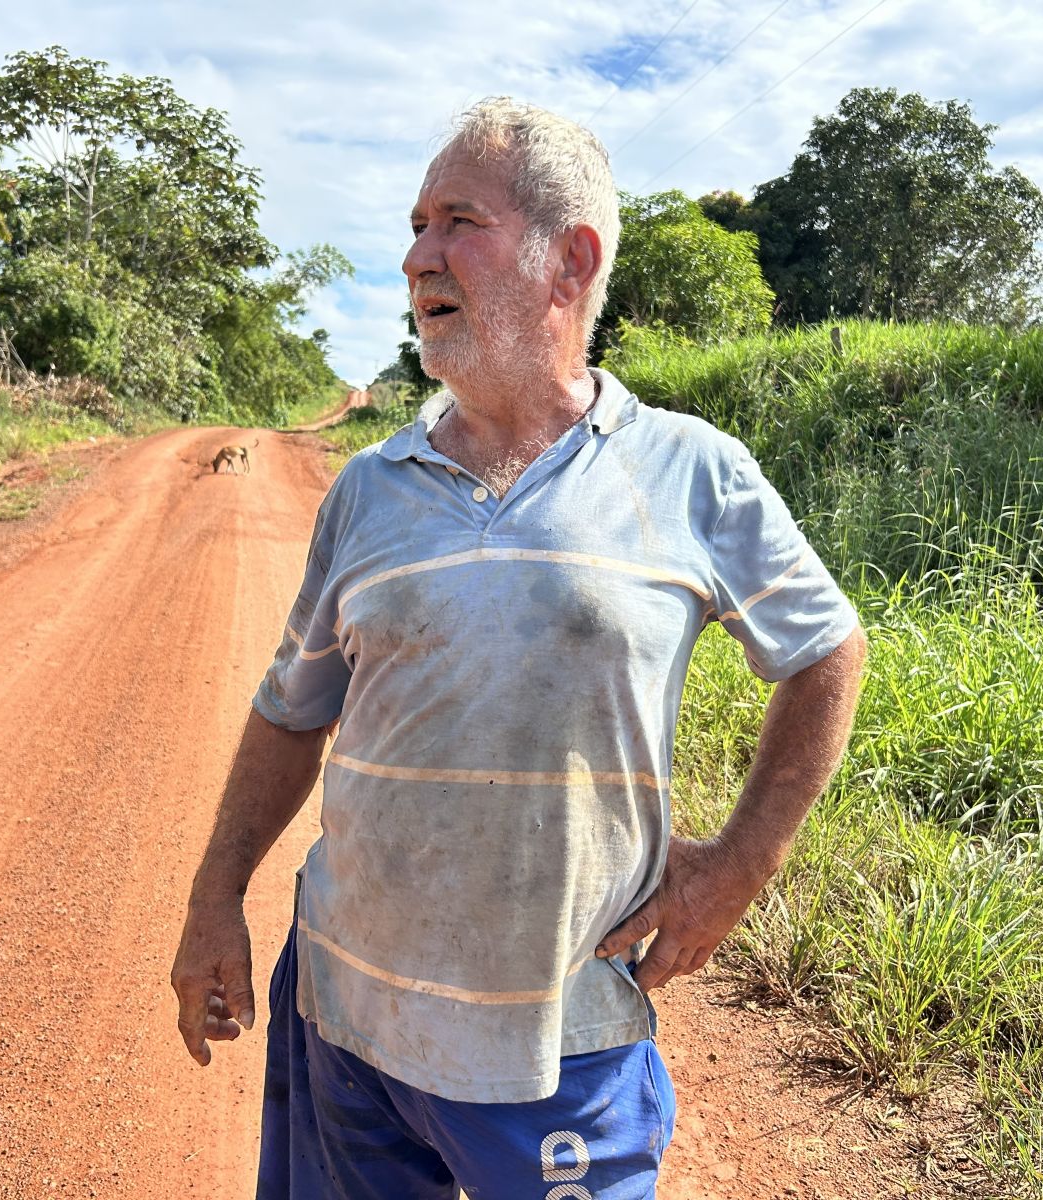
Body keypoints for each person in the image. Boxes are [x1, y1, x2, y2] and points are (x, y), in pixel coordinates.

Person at [171, 96, 868, 1199]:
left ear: (568, 259)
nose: (415, 257)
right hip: (344, 1016)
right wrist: (216, 898)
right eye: (414, 225)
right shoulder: (367, 489)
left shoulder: (690, 473)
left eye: (457, 221)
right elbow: (291, 709)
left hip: (556, 1048)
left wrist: (739, 865)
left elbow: (826, 651)